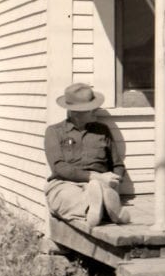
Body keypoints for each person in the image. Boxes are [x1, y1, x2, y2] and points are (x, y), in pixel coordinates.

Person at [44, 83, 129, 227]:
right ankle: (101, 209)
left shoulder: (103, 130)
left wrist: (115, 179)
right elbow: (59, 168)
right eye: (91, 109)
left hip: (101, 184)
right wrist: (95, 177)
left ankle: (97, 207)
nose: (96, 110)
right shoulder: (54, 132)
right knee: (64, 197)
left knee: (99, 190)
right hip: (65, 183)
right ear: (75, 112)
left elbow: (117, 164)